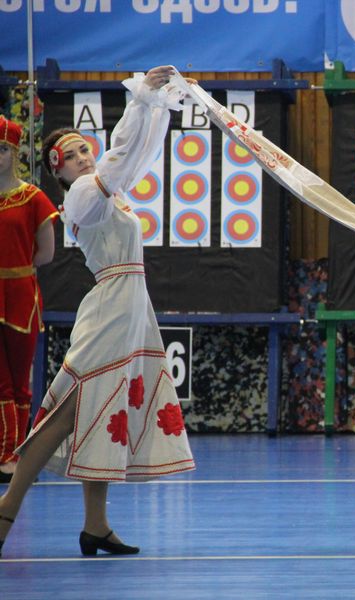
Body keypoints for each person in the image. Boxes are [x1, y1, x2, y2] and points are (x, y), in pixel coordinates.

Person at [0, 66, 196, 558]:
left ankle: (95, 526)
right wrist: (140, 100)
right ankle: (7, 506)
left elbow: (140, 153)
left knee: (103, 411)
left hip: (130, 306)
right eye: (72, 155)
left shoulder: (112, 189)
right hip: (110, 308)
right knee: (68, 413)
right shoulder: (83, 197)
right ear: (58, 170)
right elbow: (122, 156)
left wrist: (155, 105)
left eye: (86, 148)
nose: (84, 157)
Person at [0, 115, 58, 484]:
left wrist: (17, 268)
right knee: (1, 381)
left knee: (19, 381)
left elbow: (46, 254)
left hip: (21, 294)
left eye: (2, 149)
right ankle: (6, 453)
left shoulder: (33, 198)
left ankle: (16, 453)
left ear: (15, 151)